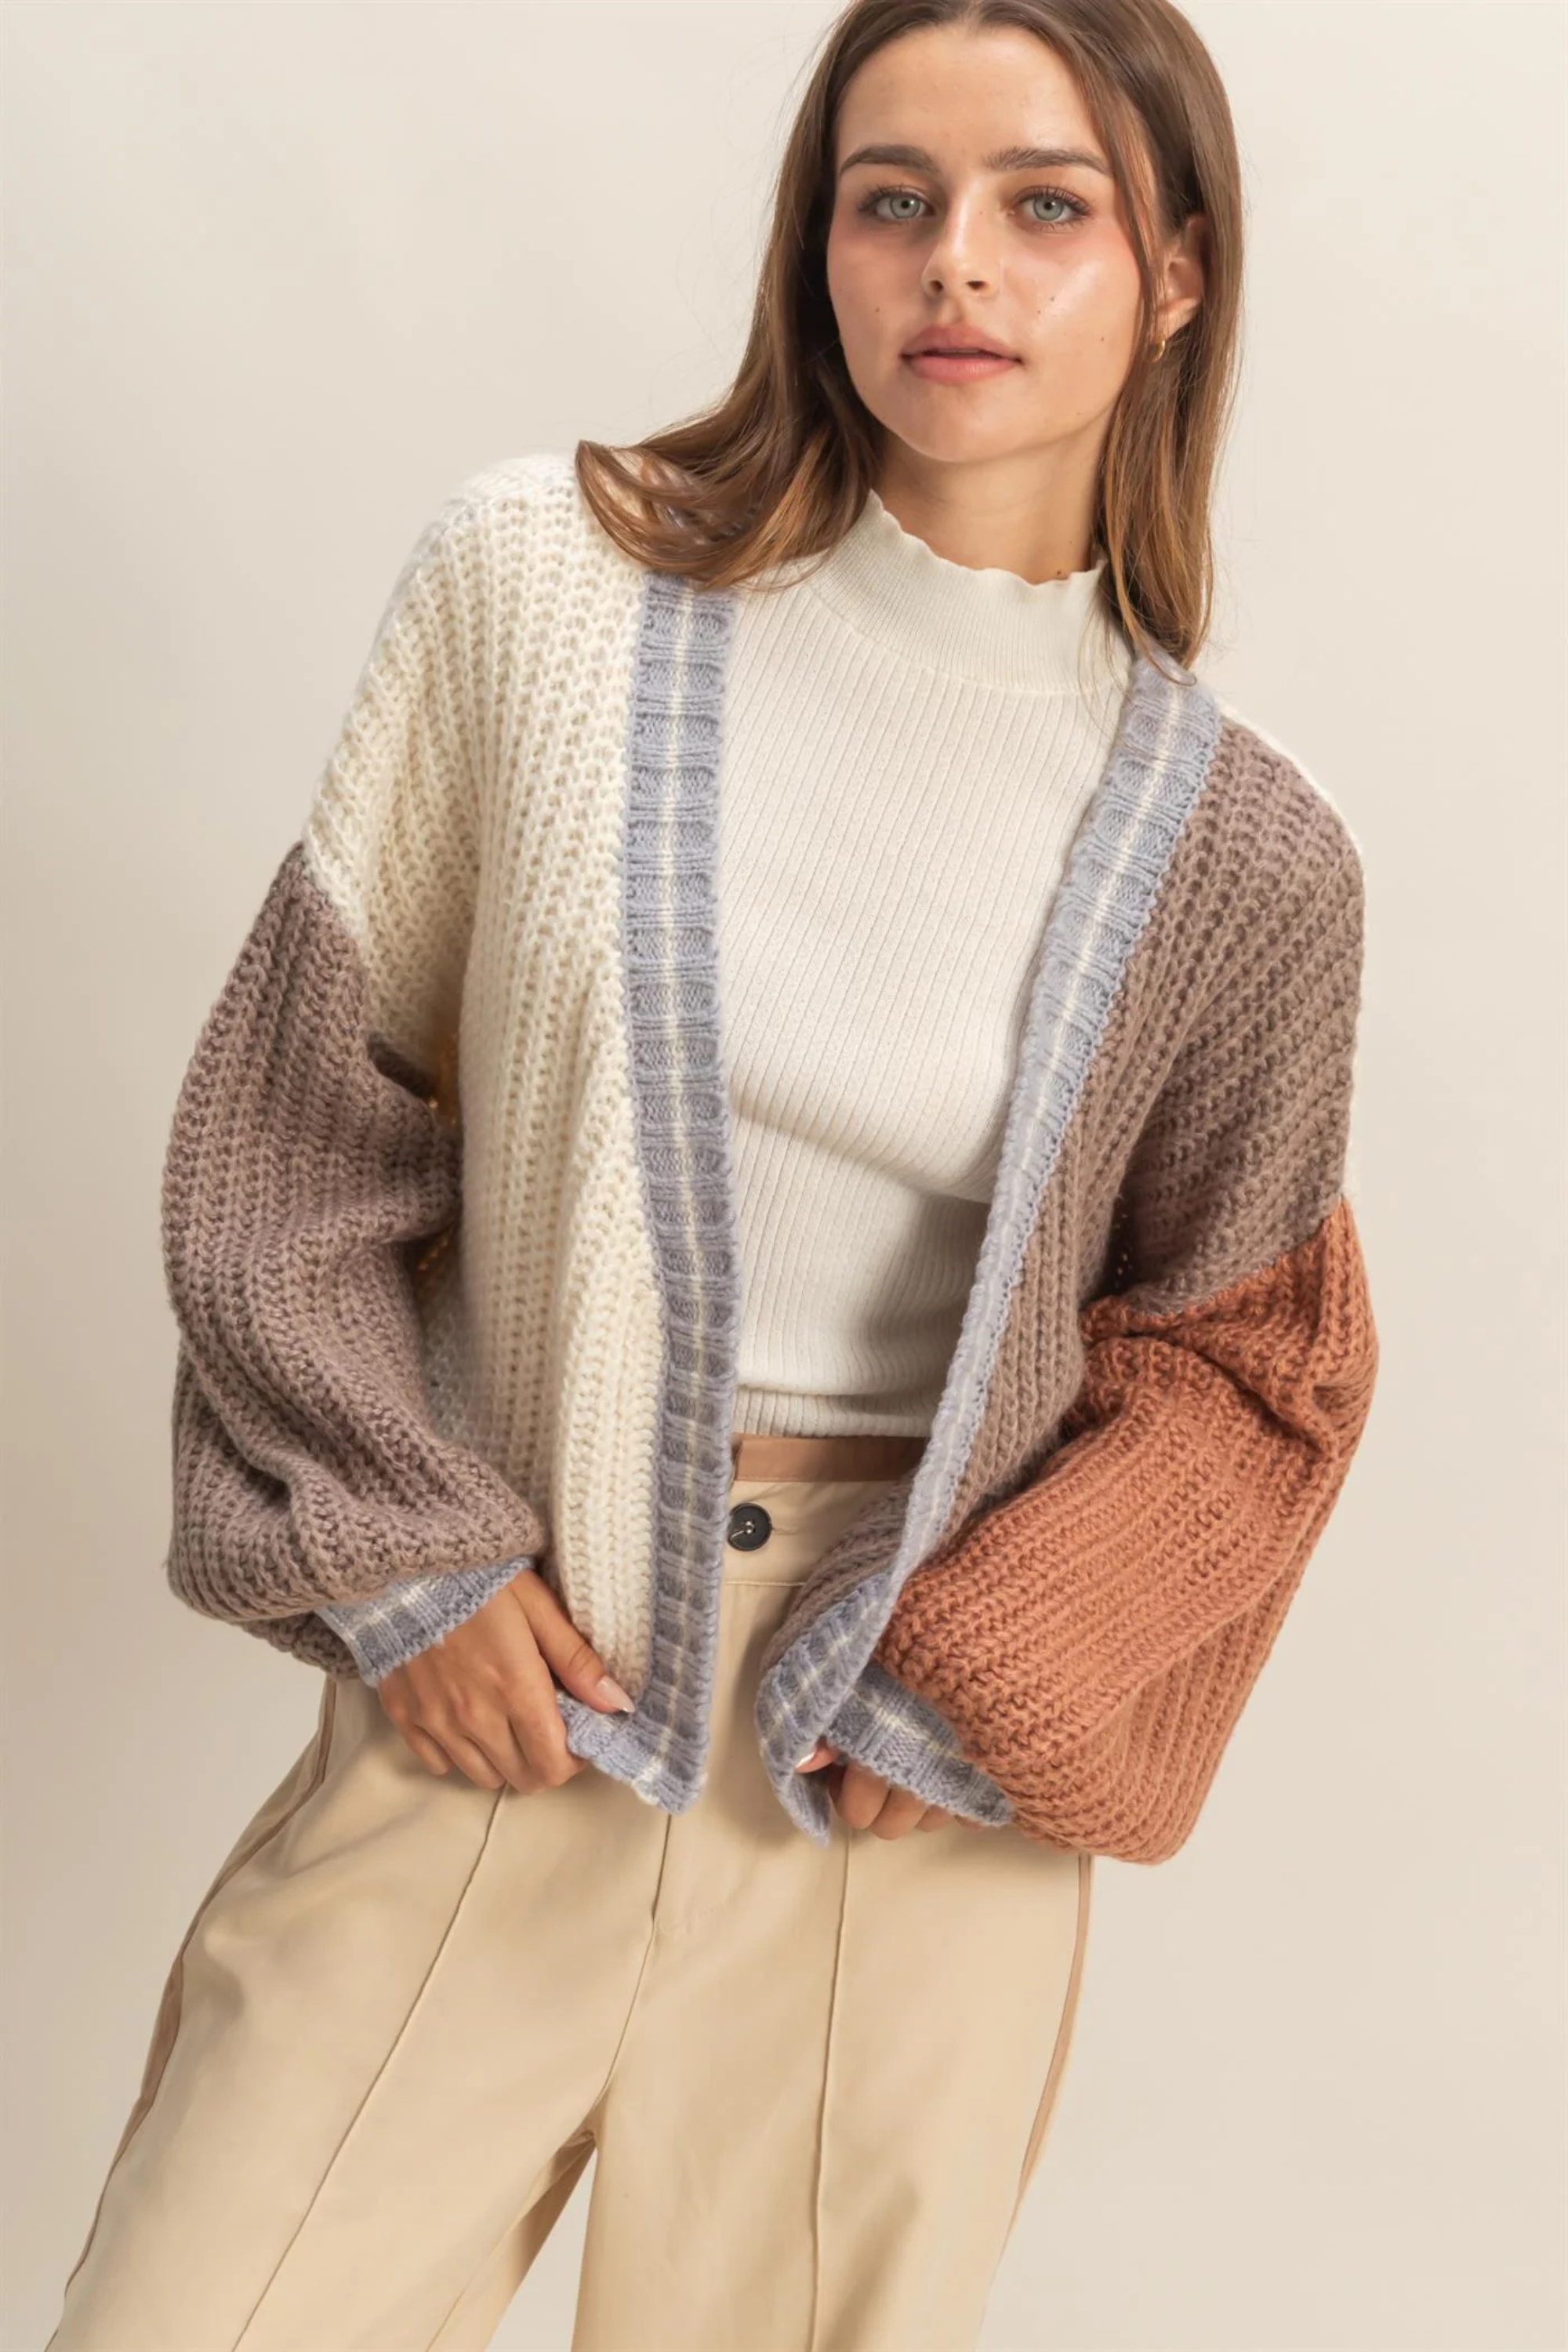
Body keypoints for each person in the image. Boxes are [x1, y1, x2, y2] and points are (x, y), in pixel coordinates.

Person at [47, 0, 1379, 2346]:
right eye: (893, 199)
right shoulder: (541, 599)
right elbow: (296, 1137)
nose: (956, 262)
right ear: (818, 248)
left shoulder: (1247, 859)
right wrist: (407, 1555)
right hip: (508, 1686)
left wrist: (987, 1676)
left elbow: (1245, 1371)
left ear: (1176, 271)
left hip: (896, 1789)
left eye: (1045, 205)